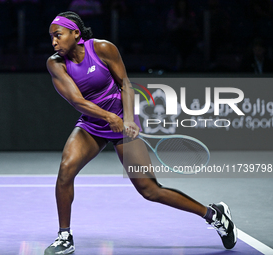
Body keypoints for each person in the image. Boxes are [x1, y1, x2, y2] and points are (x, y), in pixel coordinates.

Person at [44, 11, 237, 255]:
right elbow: (77, 101)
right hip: (94, 122)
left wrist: (127, 118)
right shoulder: (55, 63)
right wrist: (108, 117)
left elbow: (125, 84)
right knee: (65, 171)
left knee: (150, 190)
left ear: (75, 33)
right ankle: (64, 237)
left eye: (58, 35)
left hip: (122, 120)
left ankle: (215, 215)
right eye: (51, 37)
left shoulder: (103, 49)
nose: (53, 42)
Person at [166, 0, 198, 71]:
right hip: (175, 35)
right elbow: (169, 26)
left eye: (183, 4)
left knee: (187, 39)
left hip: (187, 35)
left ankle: (183, 61)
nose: (182, 6)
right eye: (180, 4)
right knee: (178, 38)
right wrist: (178, 24)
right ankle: (180, 60)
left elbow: (193, 26)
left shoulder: (190, 14)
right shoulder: (172, 13)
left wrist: (185, 24)